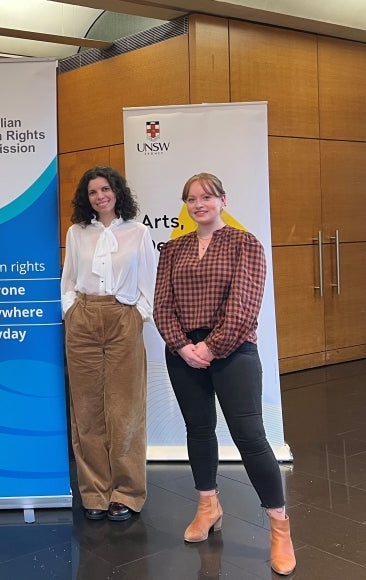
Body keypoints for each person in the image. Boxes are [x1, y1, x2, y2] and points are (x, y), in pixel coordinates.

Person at [153, 172, 295, 576]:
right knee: (198, 431)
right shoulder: (172, 250)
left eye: (207, 197)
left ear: (222, 200)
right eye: (191, 199)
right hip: (183, 353)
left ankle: (280, 526)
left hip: (233, 351)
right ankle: (207, 505)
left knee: (250, 437)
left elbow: (245, 304)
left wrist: (211, 347)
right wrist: (183, 346)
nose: (199, 204)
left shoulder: (244, 243)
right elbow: (162, 305)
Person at [60, 165, 156, 523]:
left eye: (105, 189)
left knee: (125, 408)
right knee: (86, 411)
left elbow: (150, 280)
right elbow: (68, 278)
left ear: (117, 191)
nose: (100, 196)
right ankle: (95, 492)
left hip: (122, 318)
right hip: (83, 317)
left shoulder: (138, 232)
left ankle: (127, 493)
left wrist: (137, 315)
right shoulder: (76, 232)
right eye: (92, 192)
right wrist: (71, 311)